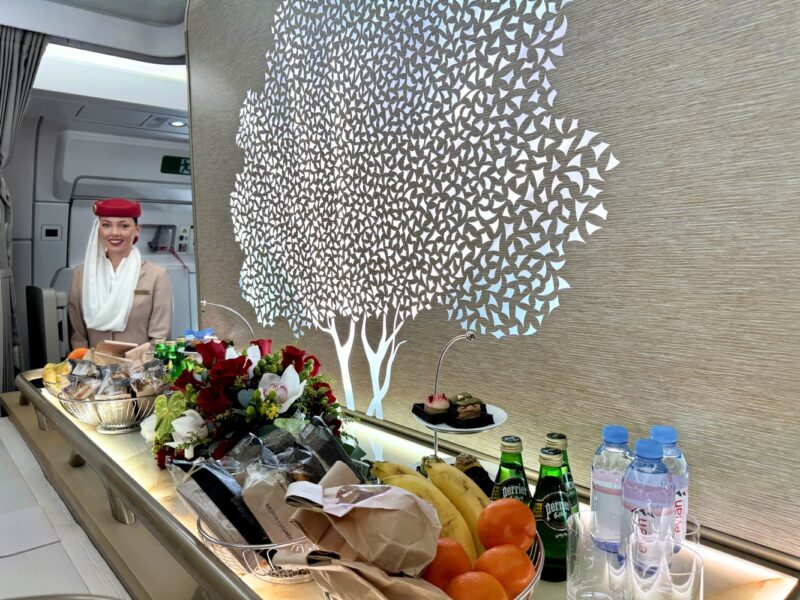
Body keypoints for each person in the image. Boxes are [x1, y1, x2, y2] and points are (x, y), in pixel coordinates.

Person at [68, 198, 173, 349]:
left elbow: (159, 337)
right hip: (93, 368)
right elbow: (77, 334)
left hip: (139, 368)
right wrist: (85, 365)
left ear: (137, 230)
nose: (115, 233)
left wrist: (134, 366)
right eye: (106, 225)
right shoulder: (82, 274)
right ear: (98, 230)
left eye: (124, 226)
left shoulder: (156, 275)